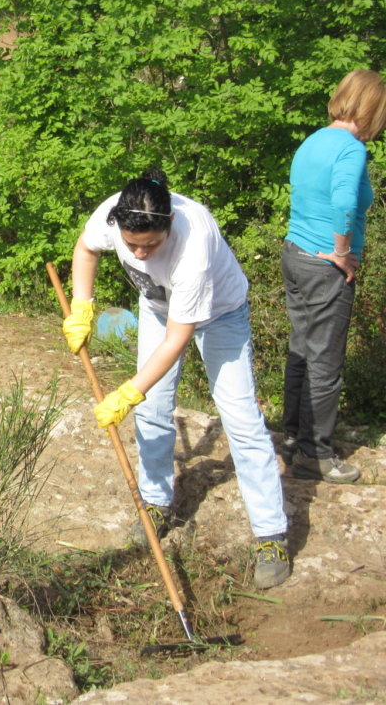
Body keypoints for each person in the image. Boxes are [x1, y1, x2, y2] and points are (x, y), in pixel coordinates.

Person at [61, 167, 291, 589]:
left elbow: (177, 339)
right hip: (158, 307)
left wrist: (128, 391)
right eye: (132, 245)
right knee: (151, 409)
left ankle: (270, 535)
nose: (140, 254)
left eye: (151, 245)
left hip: (222, 314)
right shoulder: (115, 212)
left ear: (168, 224)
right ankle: (155, 502)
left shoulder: (193, 244)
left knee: (241, 419)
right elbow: (85, 249)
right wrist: (81, 306)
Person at [281, 70, 386, 484]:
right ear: (373, 108)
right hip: (324, 264)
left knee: (301, 349)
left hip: (295, 252)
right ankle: (315, 454)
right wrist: (342, 252)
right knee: (325, 361)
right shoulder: (351, 148)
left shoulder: (314, 140)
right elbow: (343, 201)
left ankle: (293, 437)